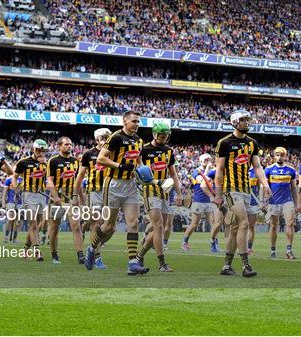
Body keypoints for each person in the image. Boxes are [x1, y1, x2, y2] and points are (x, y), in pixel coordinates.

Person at [84, 110, 149, 275]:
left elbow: (138, 161)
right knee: (108, 226)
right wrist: (119, 166)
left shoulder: (139, 140)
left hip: (130, 186)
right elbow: (101, 158)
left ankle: (133, 263)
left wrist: (143, 171)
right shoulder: (116, 137)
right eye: (134, 121)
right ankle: (92, 248)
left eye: (138, 121)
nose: (136, 124)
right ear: (125, 121)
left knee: (133, 223)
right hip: (113, 184)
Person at [214, 109, 271, 277]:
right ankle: (246, 265)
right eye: (243, 120)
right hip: (231, 190)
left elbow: (258, 167)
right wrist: (218, 194)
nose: (247, 122)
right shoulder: (224, 142)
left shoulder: (252, 143)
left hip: (246, 190)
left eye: (248, 119)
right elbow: (219, 170)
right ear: (234, 122)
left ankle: (226, 266)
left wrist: (265, 184)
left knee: (235, 228)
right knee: (244, 224)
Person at [135, 122, 183, 272]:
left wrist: (179, 193)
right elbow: (137, 168)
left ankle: (139, 257)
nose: (165, 138)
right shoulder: (144, 149)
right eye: (162, 136)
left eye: (167, 135)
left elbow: (173, 174)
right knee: (159, 226)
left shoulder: (169, 151)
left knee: (158, 230)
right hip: (150, 191)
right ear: (155, 135)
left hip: (165, 193)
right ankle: (162, 264)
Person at [76, 128, 112, 269]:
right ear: (97, 139)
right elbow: (80, 175)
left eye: (108, 137)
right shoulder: (88, 154)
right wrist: (75, 195)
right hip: (94, 191)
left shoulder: (113, 153)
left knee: (110, 227)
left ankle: (92, 246)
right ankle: (97, 257)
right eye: (103, 137)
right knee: (96, 223)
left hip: (110, 191)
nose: (106, 139)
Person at [46, 136, 83, 264]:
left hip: (70, 201)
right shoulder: (53, 161)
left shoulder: (75, 161)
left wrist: (79, 198)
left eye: (70, 144)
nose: (69, 147)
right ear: (59, 146)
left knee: (76, 226)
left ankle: (80, 255)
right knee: (54, 228)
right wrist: (55, 197)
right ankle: (54, 254)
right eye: (66, 144)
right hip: (57, 201)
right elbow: (49, 181)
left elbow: (78, 182)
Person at [13, 139, 49, 262]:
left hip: (41, 195)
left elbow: (52, 176)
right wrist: (15, 187)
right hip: (28, 195)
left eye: (43, 151)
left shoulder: (46, 163)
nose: (41, 153)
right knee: (32, 224)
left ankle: (25, 248)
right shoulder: (23, 162)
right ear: (34, 149)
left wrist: (46, 163)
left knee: (36, 225)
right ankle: (37, 251)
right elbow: (15, 176)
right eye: (39, 150)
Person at [265, 147, 298, 259]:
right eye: (277, 155)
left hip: (287, 201)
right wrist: (262, 200)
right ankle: (273, 250)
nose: (279, 157)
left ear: (285, 156)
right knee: (274, 225)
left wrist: (297, 202)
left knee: (290, 224)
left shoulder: (291, 170)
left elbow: (294, 188)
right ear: (274, 156)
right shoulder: (268, 170)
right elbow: (264, 187)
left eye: (281, 155)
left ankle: (289, 250)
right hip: (273, 202)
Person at [181, 153, 215, 251]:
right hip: (199, 200)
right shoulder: (196, 171)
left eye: (209, 160)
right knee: (194, 223)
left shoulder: (210, 170)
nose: (208, 162)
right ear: (201, 161)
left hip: (208, 200)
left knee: (213, 223)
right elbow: (204, 181)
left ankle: (213, 244)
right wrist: (208, 170)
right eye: (206, 160)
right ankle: (184, 242)